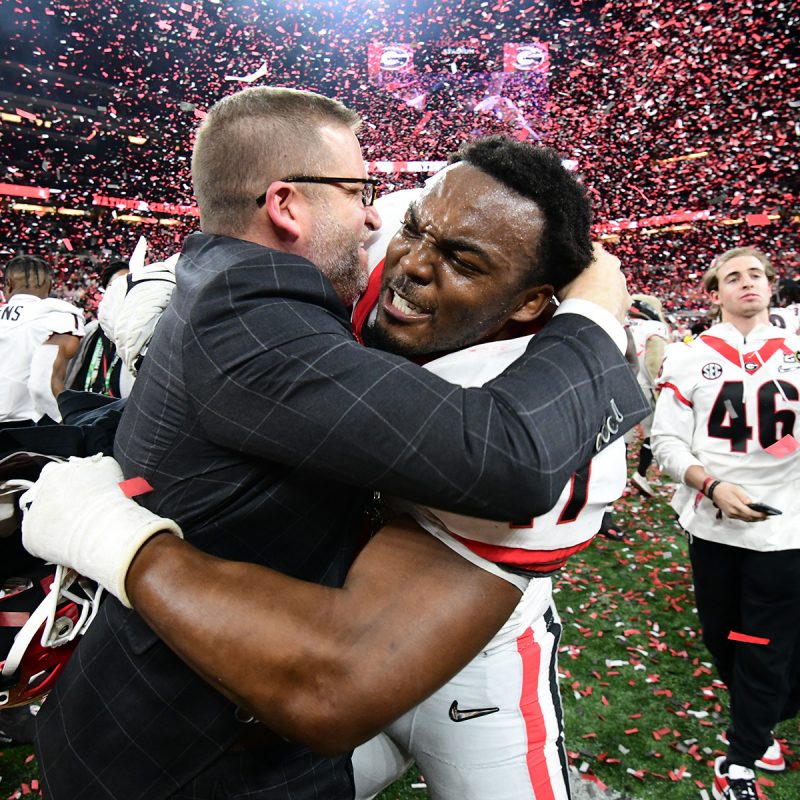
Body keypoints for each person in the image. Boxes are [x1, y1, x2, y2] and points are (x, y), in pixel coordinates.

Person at [25, 87, 647, 800]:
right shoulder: (384, 239)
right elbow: (272, 234)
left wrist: (597, 314)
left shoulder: (558, 433)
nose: (408, 261)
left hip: (451, 621)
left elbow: (340, 676)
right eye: (411, 226)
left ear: (533, 302)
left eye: (463, 263)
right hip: (298, 605)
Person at [651, 246, 800, 800]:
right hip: (714, 523)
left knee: (762, 640)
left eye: (756, 274)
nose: (747, 284)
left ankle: (742, 753)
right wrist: (710, 483)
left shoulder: (796, 348)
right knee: (724, 634)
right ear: (714, 293)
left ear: (770, 286)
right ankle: (766, 712)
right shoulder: (689, 358)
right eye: (733, 277)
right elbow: (666, 441)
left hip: (787, 528)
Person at [0, 255, 84, 427]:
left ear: (8, 284)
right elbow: (43, 382)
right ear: (50, 286)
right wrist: (62, 426)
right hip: (23, 429)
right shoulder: (58, 313)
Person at [63, 261, 132, 398]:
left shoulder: (144, 337)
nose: (122, 292)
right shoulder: (88, 332)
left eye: (128, 286)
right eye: (115, 287)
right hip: (84, 415)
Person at [627, 293, 671, 497]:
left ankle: (612, 477)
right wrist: (659, 387)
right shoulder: (654, 328)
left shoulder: (623, 324)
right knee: (652, 433)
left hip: (619, 384)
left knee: (620, 437)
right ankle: (641, 474)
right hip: (644, 387)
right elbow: (654, 362)